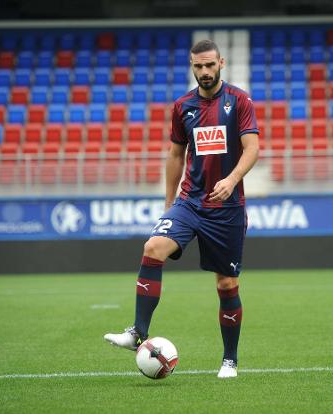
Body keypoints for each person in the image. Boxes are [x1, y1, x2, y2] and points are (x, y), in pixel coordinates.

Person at [104, 39, 259, 379]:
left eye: (210, 65)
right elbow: (175, 155)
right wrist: (168, 204)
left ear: (220, 63)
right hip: (190, 202)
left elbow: (252, 148)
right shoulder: (182, 106)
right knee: (153, 247)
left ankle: (229, 359)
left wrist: (232, 179)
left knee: (227, 285)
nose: (204, 72)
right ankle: (137, 332)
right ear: (192, 66)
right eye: (198, 66)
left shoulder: (240, 101)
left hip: (227, 207)